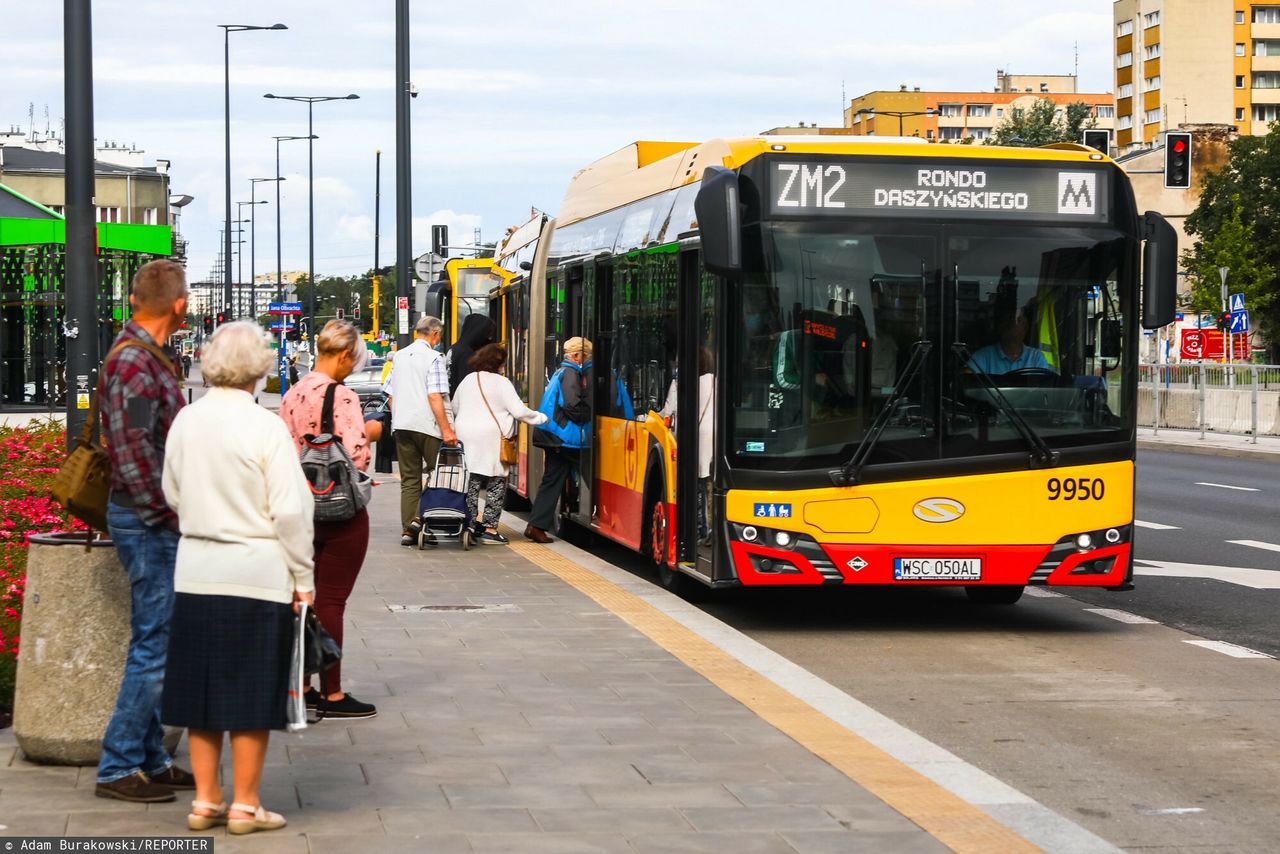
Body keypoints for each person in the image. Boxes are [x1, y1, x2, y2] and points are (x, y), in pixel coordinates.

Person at [159, 322, 314, 835]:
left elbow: (172, 492)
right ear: (260, 369)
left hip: (197, 570)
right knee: (250, 694)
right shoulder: (265, 426)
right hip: (257, 574)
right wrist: (303, 577)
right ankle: (246, 806)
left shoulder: (186, 420)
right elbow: (290, 512)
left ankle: (205, 801)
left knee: (199, 694)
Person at [96, 259, 196, 804]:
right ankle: (117, 765)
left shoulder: (148, 355)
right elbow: (135, 453)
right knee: (154, 643)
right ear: (179, 306)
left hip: (148, 516)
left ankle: (152, 759)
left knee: (163, 640)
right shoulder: (136, 362)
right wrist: (169, 515)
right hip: (146, 518)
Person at [279, 320, 381, 719]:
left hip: (299, 508)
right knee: (332, 602)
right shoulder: (344, 396)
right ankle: (332, 694)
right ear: (342, 356)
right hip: (340, 511)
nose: (354, 367)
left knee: (303, 601)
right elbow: (356, 455)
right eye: (354, 359)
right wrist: (371, 431)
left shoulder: (292, 393)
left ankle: (301, 688)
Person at [451, 343, 548, 544]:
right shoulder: (502, 383)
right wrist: (541, 418)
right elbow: (519, 411)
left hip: (465, 435)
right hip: (491, 438)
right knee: (496, 481)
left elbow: (454, 407)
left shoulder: (469, 379)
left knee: (471, 480)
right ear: (499, 363)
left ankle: (468, 523)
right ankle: (490, 528)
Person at [387, 315, 457, 546]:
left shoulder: (399, 356)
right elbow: (435, 396)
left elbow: (390, 394)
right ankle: (420, 520)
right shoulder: (434, 358)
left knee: (409, 479)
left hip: (402, 425)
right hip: (427, 426)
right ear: (435, 334)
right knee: (439, 474)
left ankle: (409, 529)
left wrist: (399, 417)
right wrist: (447, 430)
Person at [525, 337, 592, 544]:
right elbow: (571, 405)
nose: (588, 360)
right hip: (564, 437)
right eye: (587, 356)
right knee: (591, 472)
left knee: (552, 480)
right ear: (577, 356)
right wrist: (589, 414)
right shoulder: (571, 374)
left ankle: (536, 526)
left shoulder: (560, 372)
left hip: (554, 435)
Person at [968, 304, 1051, 376]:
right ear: (999, 328)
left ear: (1025, 329)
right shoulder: (983, 356)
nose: (1007, 325)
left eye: (1015, 320)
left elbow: (1042, 389)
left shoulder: (1036, 357)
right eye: (1006, 321)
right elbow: (967, 380)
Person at [447, 314, 497, 397]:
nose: (489, 339)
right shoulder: (467, 353)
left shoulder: (453, 348)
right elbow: (467, 385)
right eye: (487, 334)